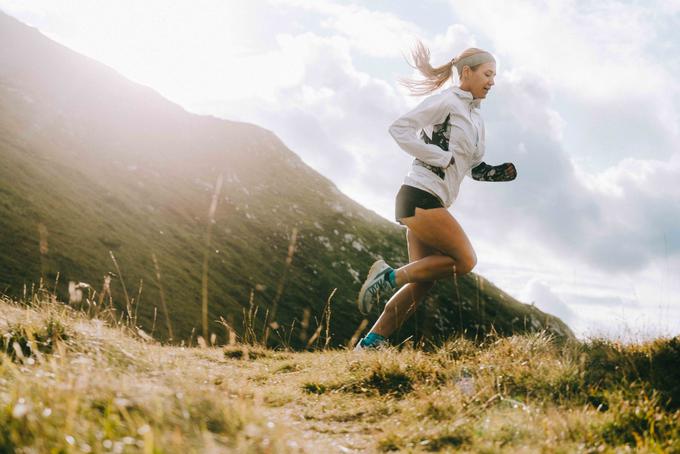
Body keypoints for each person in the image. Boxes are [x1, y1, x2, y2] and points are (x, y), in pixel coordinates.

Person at [354, 42, 517, 351]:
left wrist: (496, 172)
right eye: (488, 74)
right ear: (466, 73)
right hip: (418, 194)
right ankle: (387, 277)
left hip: (433, 199)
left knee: (422, 282)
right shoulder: (446, 102)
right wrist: (438, 156)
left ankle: (370, 343)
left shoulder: (476, 119)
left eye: (495, 76)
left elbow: (472, 167)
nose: (493, 81)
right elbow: (399, 129)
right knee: (465, 260)